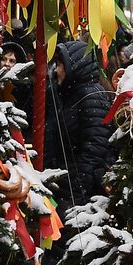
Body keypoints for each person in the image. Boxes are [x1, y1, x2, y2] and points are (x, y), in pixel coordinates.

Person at [42, 39, 115, 211]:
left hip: (77, 191)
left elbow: (95, 148)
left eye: (60, 65)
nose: (57, 70)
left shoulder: (91, 97)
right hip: (63, 183)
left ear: (73, 66)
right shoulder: (66, 94)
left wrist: (76, 191)